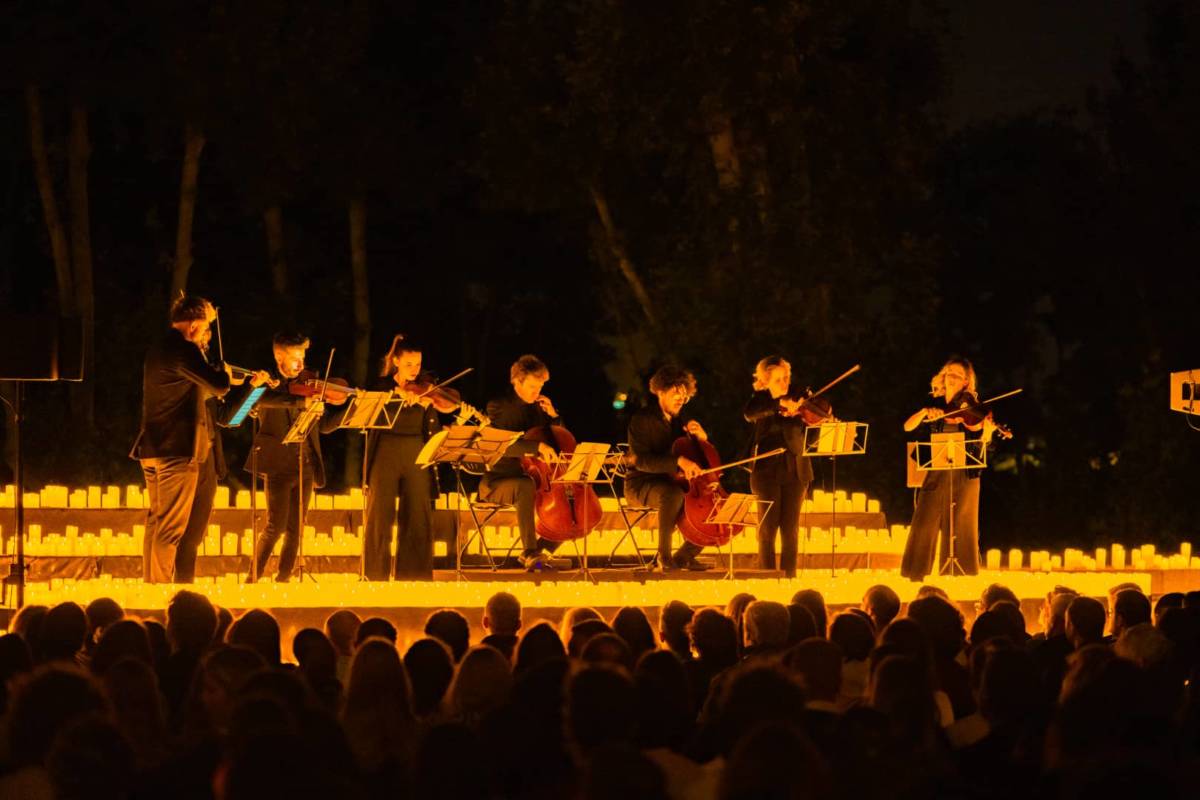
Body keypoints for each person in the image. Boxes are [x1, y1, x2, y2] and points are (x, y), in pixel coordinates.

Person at [131, 295, 237, 583]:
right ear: (193, 326)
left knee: (156, 522)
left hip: (152, 447)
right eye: (204, 329)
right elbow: (219, 386)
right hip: (176, 450)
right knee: (170, 528)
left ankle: (151, 585)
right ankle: (161, 590)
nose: (204, 336)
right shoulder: (184, 349)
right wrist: (224, 373)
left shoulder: (157, 348)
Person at [247, 332, 341, 582]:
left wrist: (347, 411)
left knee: (296, 528)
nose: (301, 364)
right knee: (274, 526)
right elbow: (255, 403)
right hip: (277, 465)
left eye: (303, 357)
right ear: (279, 357)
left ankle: (284, 577)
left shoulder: (307, 385)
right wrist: (300, 402)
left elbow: (323, 427)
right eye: (295, 358)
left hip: (305, 463)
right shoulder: (267, 383)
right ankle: (252, 577)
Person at [363, 335, 457, 581]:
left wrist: (437, 411)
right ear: (396, 362)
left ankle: (414, 575)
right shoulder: (381, 385)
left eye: (418, 364)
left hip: (417, 451)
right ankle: (374, 575)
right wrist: (398, 393)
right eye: (408, 364)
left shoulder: (426, 387)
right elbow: (369, 404)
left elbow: (438, 418)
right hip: (385, 451)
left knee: (417, 513)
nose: (414, 370)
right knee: (379, 514)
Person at [900, 357, 996, 580]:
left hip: (966, 473)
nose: (951, 377)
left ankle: (959, 575)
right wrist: (924, 412)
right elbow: (907, 427)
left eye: (957, 375)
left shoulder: (972, 409)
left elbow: (984, 446)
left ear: (966, 382)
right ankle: (915, 573)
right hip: (937, 470)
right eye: (948, 372)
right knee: (924, 520)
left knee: (963, 524)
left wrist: (987, 432)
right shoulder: (934, 403)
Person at [478, 354, 562, 571]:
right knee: (525, 485)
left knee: (567, 501)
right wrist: (537, 447)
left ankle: (542, 552)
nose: (537, 391)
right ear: (517, 382)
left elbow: (559, 441)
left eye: (540, 386)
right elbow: (500, 446)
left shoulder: (539, 408)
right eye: (533, 386)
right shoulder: (498, 406)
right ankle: (529, 552)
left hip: (536, 479)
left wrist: (553, 417)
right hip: (499, 480)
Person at [624, 365, 709, 571]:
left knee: (708, 501)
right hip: (641, 483)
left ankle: (684, 556)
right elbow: (640, 461)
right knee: (673, 494)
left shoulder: (680, 422)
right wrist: (678, 461)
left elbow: (697, 459)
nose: (681, 400)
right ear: (661, 392)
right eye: (676, 394)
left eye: (685, 396)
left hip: (672, 482)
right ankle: (664, 556)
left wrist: (702, 440)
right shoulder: (642, 420)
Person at [742, 356, 818, 576]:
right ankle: (767, 578)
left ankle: (789, 578)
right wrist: (779, 405)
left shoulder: (799, 399)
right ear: (765, 382)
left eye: (786, 377)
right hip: (766, 472)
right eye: (778, 380)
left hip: (797, 470)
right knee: (767, 530)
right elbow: (749, 413)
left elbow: (810, 441)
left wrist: (818, 421)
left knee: (790, 531)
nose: (785, 383)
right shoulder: (761, 401)